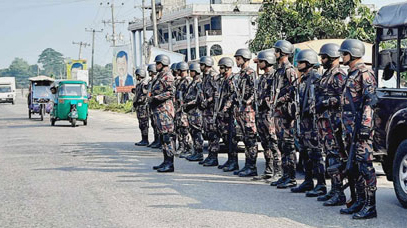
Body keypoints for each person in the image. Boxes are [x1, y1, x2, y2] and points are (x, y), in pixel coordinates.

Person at [338, 39, 377, 219]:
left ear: (352, 54)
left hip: (361, 130)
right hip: (350, 129)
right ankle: (360, 201)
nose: (341, 57)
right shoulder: (351, 73)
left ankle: (371, 206)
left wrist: (365, 126)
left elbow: (370, 101)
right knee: (354, 167)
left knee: (365, 166)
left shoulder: (365, 73)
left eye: (344, 54)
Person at [290, 49, 326, 197]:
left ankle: (321, 184)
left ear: (308, 63)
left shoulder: (316, 78)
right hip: (303, 121)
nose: (298, 64)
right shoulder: (303, 79)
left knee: (316, 153)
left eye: (300, 62)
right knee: (304, 153)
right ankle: (308, 180)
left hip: (313, 122)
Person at [315, 43, 347, 206]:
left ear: (333, 57)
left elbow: (344, 98)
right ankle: (333, 190)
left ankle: (339, 192)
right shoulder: (326, 74)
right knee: (329, 156)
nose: (322, 60)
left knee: (335, 157)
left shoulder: (339, 74)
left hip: (334, 123)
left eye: (324, 57)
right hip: (324, 122)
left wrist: (326, 102)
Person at [270, 40, 297, 188]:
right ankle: (285, 174)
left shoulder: (289, 70)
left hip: (286, 113)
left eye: (277, 51)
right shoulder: (279, 70)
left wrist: (281, 99)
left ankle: (291, 177)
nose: (275, 53)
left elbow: (294, 90)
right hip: (278, 113)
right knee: (281, 144)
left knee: (288, 145)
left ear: (283, 52)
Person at [253, 49, 282, 180]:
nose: (259, 64)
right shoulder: (262, 78)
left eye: (261, 62)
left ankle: (278, 172)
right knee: (265, 144)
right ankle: (269, 170)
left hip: (270, 114)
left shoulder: (274, 76)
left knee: (274, 143)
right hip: (261, 114)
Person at [231, 48, 259, 177]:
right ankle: (247, 165)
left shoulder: (250, 73)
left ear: (245, 59)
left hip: (248, 110)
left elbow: (255, 91)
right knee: (245, 138)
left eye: (238, 58)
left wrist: (248, 102)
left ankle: (252, 166)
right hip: (241, 110)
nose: (236, 61)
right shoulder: (240, 74)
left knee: (250, 138)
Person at [149, 54, 176, 172]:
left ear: (162, 63)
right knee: (163, 137)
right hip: (159, 111)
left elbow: (171, 92)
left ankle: (170, 163)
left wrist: (156, 98)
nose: (156, 66)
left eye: (157, 63)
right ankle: (165, 161)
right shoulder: (161, 76)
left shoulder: (168, 76)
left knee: (167, 137)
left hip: (165, 110)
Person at [216, 57, 239, 172]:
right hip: (223, 114)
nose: (220, 70)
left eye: (222, 67)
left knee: (231, 138)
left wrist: (224, 109)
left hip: (230, 113)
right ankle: (230, 159)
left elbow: (232, 96)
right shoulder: (223, 79)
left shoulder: (231, 80)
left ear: (228, 68)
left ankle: (234, 161)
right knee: (225, 138)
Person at [198, 56, 220, 166]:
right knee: (208, 133)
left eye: (201, 64)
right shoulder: (205, 76)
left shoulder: (213, 76)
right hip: (206, 109)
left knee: (213, 133)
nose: (200, 67)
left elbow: (217, 92)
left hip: (212, 109)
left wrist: (208, 100)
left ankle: (214, 156)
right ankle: (210, 155)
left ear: (206, 65)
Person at [184, 63, 205, 162]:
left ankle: (199, 152)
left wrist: (188, 103)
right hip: (191, 111)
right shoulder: (193, 82)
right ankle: (195, 151)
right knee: (192, 131)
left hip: (196, 111)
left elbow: (199, 98)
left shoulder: (198, 82)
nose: (190, 73)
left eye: (191, 71)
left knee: (197, 132)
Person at [175, 62, 193, 159]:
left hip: (184, 108)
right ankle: (182, 146)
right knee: (179, 128)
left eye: (178, 70)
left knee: (185, 129)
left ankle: (189, 148)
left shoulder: (187, 81)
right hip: (179, 108)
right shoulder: (180, 81)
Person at [133, 68, 150, 146]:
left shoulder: (144, 84)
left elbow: (145, 95)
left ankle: (145, 140)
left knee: (143, 123)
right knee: (141, 123)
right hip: (140, 106)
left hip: (143, 106)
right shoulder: (140, 84)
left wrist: (139, 101)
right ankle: (143, 139)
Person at [146, 64, 161, 149]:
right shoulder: (151, 81)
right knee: (154, 123)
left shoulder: (157, 80)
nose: (149, 73)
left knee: (157, 124)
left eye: (150, 71)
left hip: (156, 104)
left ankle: (159, 141)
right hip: (151, 104)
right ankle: (156, 140)